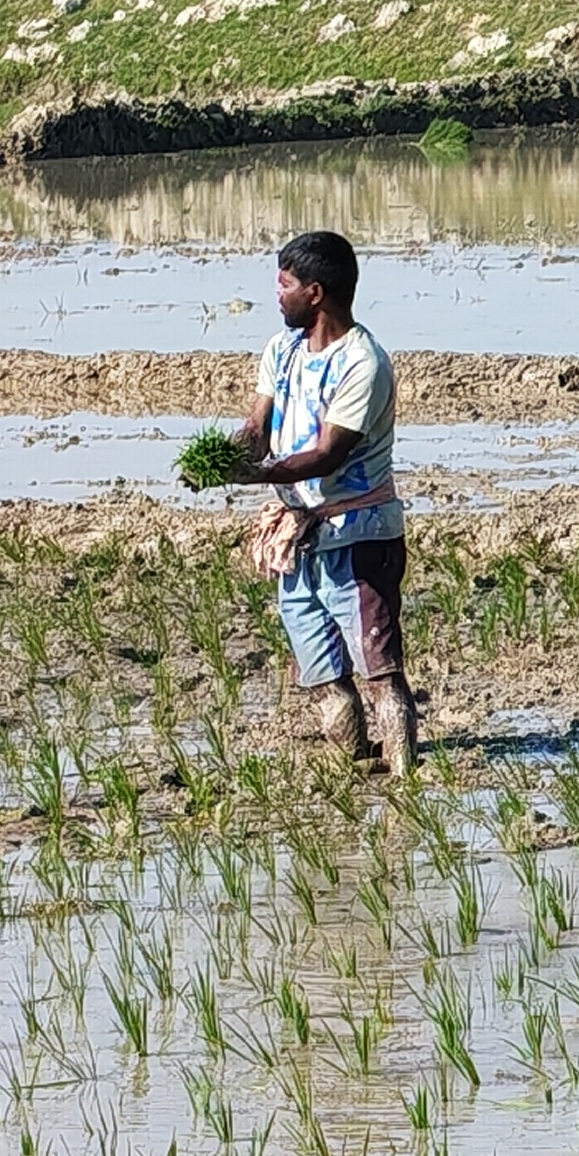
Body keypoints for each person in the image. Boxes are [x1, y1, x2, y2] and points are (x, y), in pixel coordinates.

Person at [232, 230, 412, 774]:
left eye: (284, 285)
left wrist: (255, 477)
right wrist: (228, 456)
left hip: (358, 536)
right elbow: (258, 426)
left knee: (380, 673)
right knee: (323, 678)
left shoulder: (364, 364)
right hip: (301, 540)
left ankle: (405, 776)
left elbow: (329, 454)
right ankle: (354, 766)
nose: (276, 294)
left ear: (315, 293)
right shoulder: (281, 351)